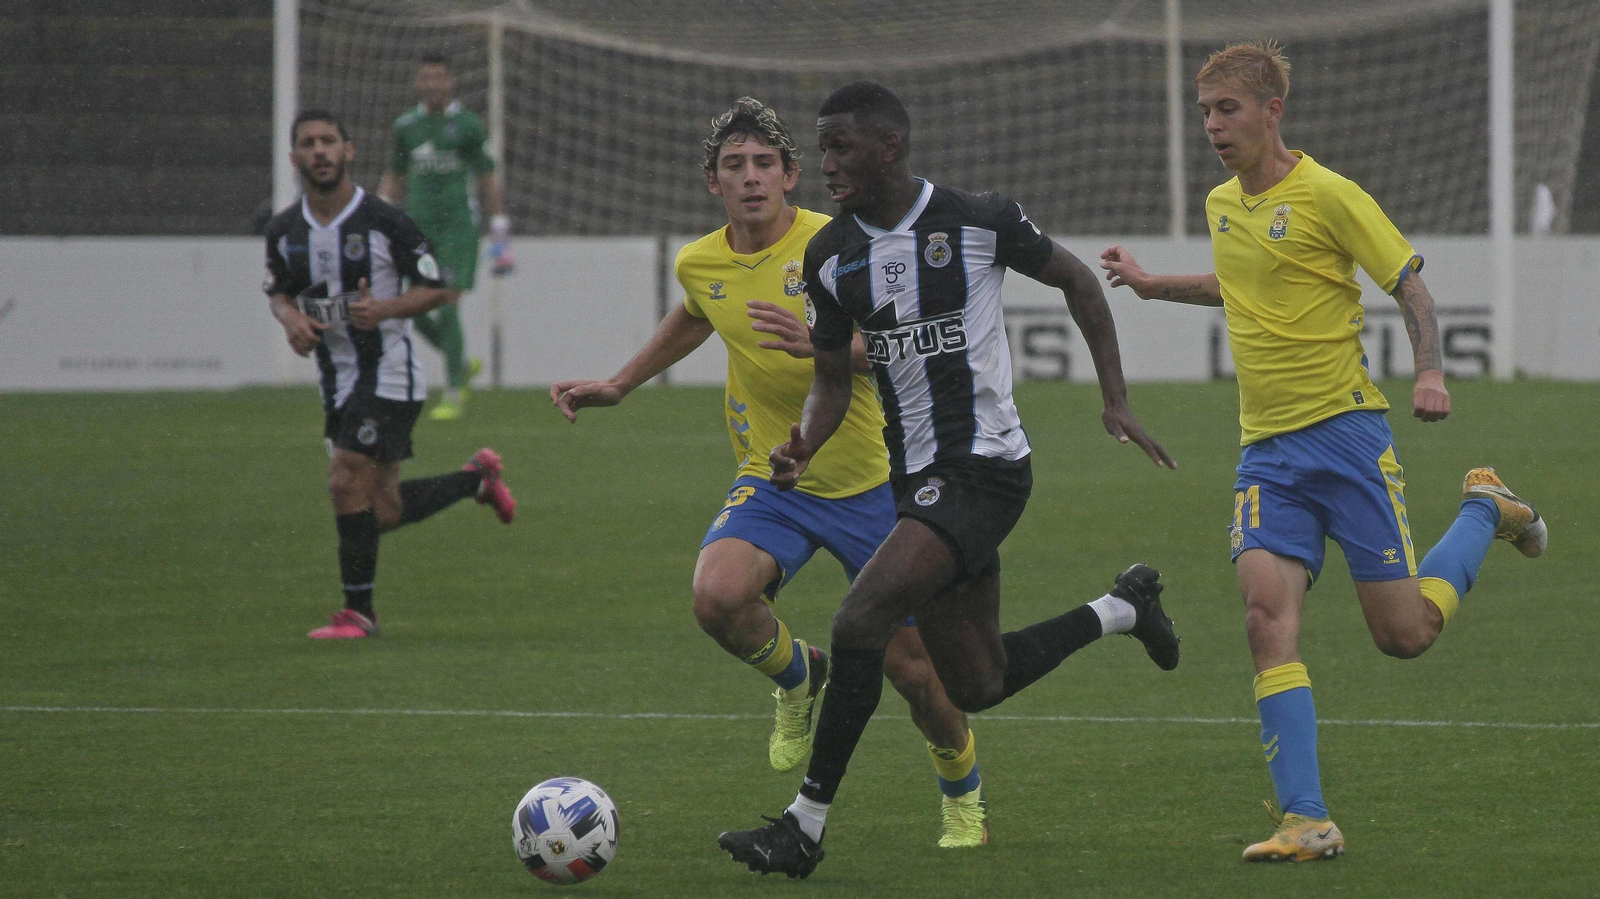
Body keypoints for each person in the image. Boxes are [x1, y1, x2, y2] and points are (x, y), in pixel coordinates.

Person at [715, 81, 1180, 879]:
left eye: (839, 147)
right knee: (978, 678)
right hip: (918, 480)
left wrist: (1116, 399)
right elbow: (830, 380)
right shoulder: (831, 257)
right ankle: (1123, 607)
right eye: (821, 149)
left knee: (859, 619)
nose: (825, 164)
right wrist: (804, 445)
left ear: (889, 146)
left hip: (986, 469)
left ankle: (804, 826)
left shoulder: (977, 219)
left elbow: (1076, 280)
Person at [1099, 41, 1547, 862]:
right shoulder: (1221, 203)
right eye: (1205, 112)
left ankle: (1485, 508)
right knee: (1266, 621)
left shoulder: (1332, 194)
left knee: (1403, 634)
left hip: (1345, 437)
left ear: (1273, 112)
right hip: (1266, 454)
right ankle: (1307, 819)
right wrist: (1157, 284)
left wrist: (1432, 371)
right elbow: (1240, 285)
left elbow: (1410, 283)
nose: (1212, 127)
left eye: (1226, 110)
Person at [552, 98, 996, 848]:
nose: (751, 178)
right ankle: (799, 677)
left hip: (873, 483)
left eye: (765, 164)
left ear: (793, 174)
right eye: (735, 166)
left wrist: (819, 346)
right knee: (717, 596)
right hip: (776, 474)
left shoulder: (840, 245)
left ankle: (962, 787)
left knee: (917, 673)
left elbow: (903, 345)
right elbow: (696, 311)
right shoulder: (700, 259)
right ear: (711, 181)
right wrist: (621, 383)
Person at [265, 110, 517, 640]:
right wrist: (291, 319)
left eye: (328, 141)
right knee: (379, 509)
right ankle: (477, 479)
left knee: (343, 478)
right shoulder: (285, 231)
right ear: (294, 159)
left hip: (390, 375)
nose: (319, 151)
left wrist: (386, 309)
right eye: (308, 144)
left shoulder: (386, 221)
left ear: (348, 150)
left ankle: (359, 614)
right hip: (336, 380)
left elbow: (439, 289)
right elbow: (279, 291)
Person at [378, 51, 511, 421]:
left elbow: (487, 176)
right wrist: (376, 213)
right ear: (419, 83)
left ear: (449, 82)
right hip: (417, 229)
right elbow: (395, 176)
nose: (433, 85)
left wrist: (499, 228)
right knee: (411, 307)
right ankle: (461, 362)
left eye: (439, 78)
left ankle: (453, 390)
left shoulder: (467, 125)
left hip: (457, 228)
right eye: (426, 78)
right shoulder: (406, 126)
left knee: (446, 300)